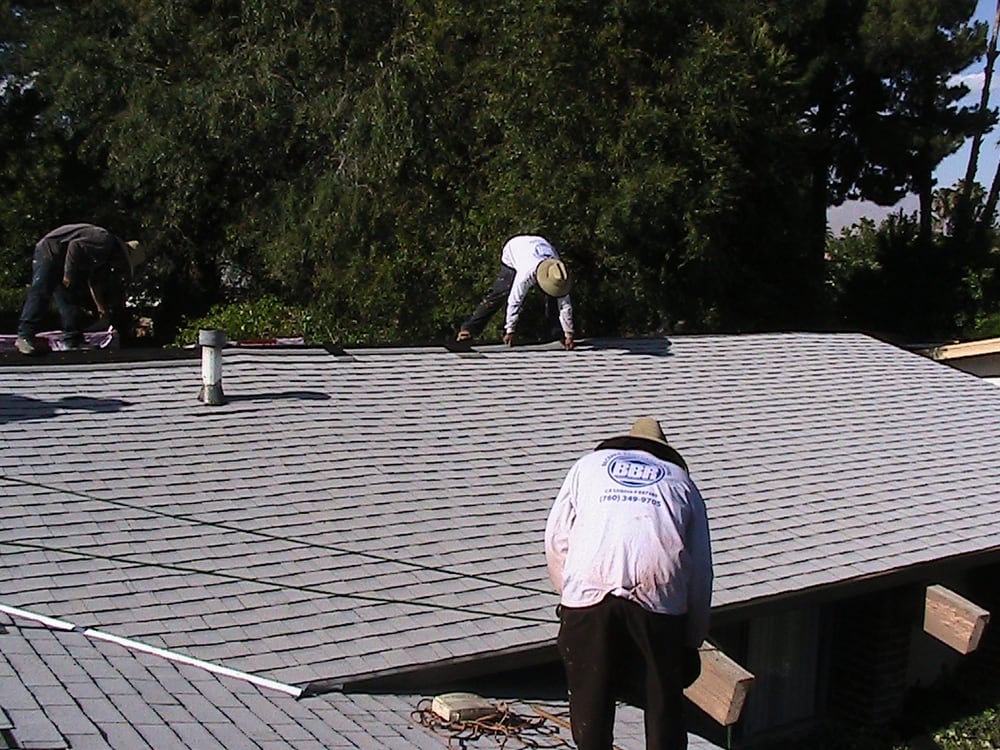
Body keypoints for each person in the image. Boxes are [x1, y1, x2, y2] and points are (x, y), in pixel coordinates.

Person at [544, 417, 713, 750]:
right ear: (664, 452)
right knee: (664, 702)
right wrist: (690, 640)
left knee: (591, 699)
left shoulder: (587, 466)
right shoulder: (682, 482)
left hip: (589, 587)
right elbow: (700, 571)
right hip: (658, 593)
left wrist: (573, 599)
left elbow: (557, 538)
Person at [15, 224, 145, 355]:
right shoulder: (104, 241)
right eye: (123, 264)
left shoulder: (104, 258)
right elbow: (74, 246)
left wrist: (101, 307)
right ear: (121, 255)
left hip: (62, 259)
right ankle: (25, 335)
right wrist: (68, 275)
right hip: (50, 251)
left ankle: (72, 341)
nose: (119, 267)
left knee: (69, 300)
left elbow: (94, 282)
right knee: (41, 292)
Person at [457, 234, 575, 349]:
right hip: (514, 249)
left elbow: (565, 306)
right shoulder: (526, 273)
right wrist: (510, 330)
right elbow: (515, 300)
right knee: (502, 291)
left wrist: (568, 334)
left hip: (539, 244)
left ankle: (556, 334)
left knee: (554, 297)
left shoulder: (558, 273)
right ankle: (469, 328)